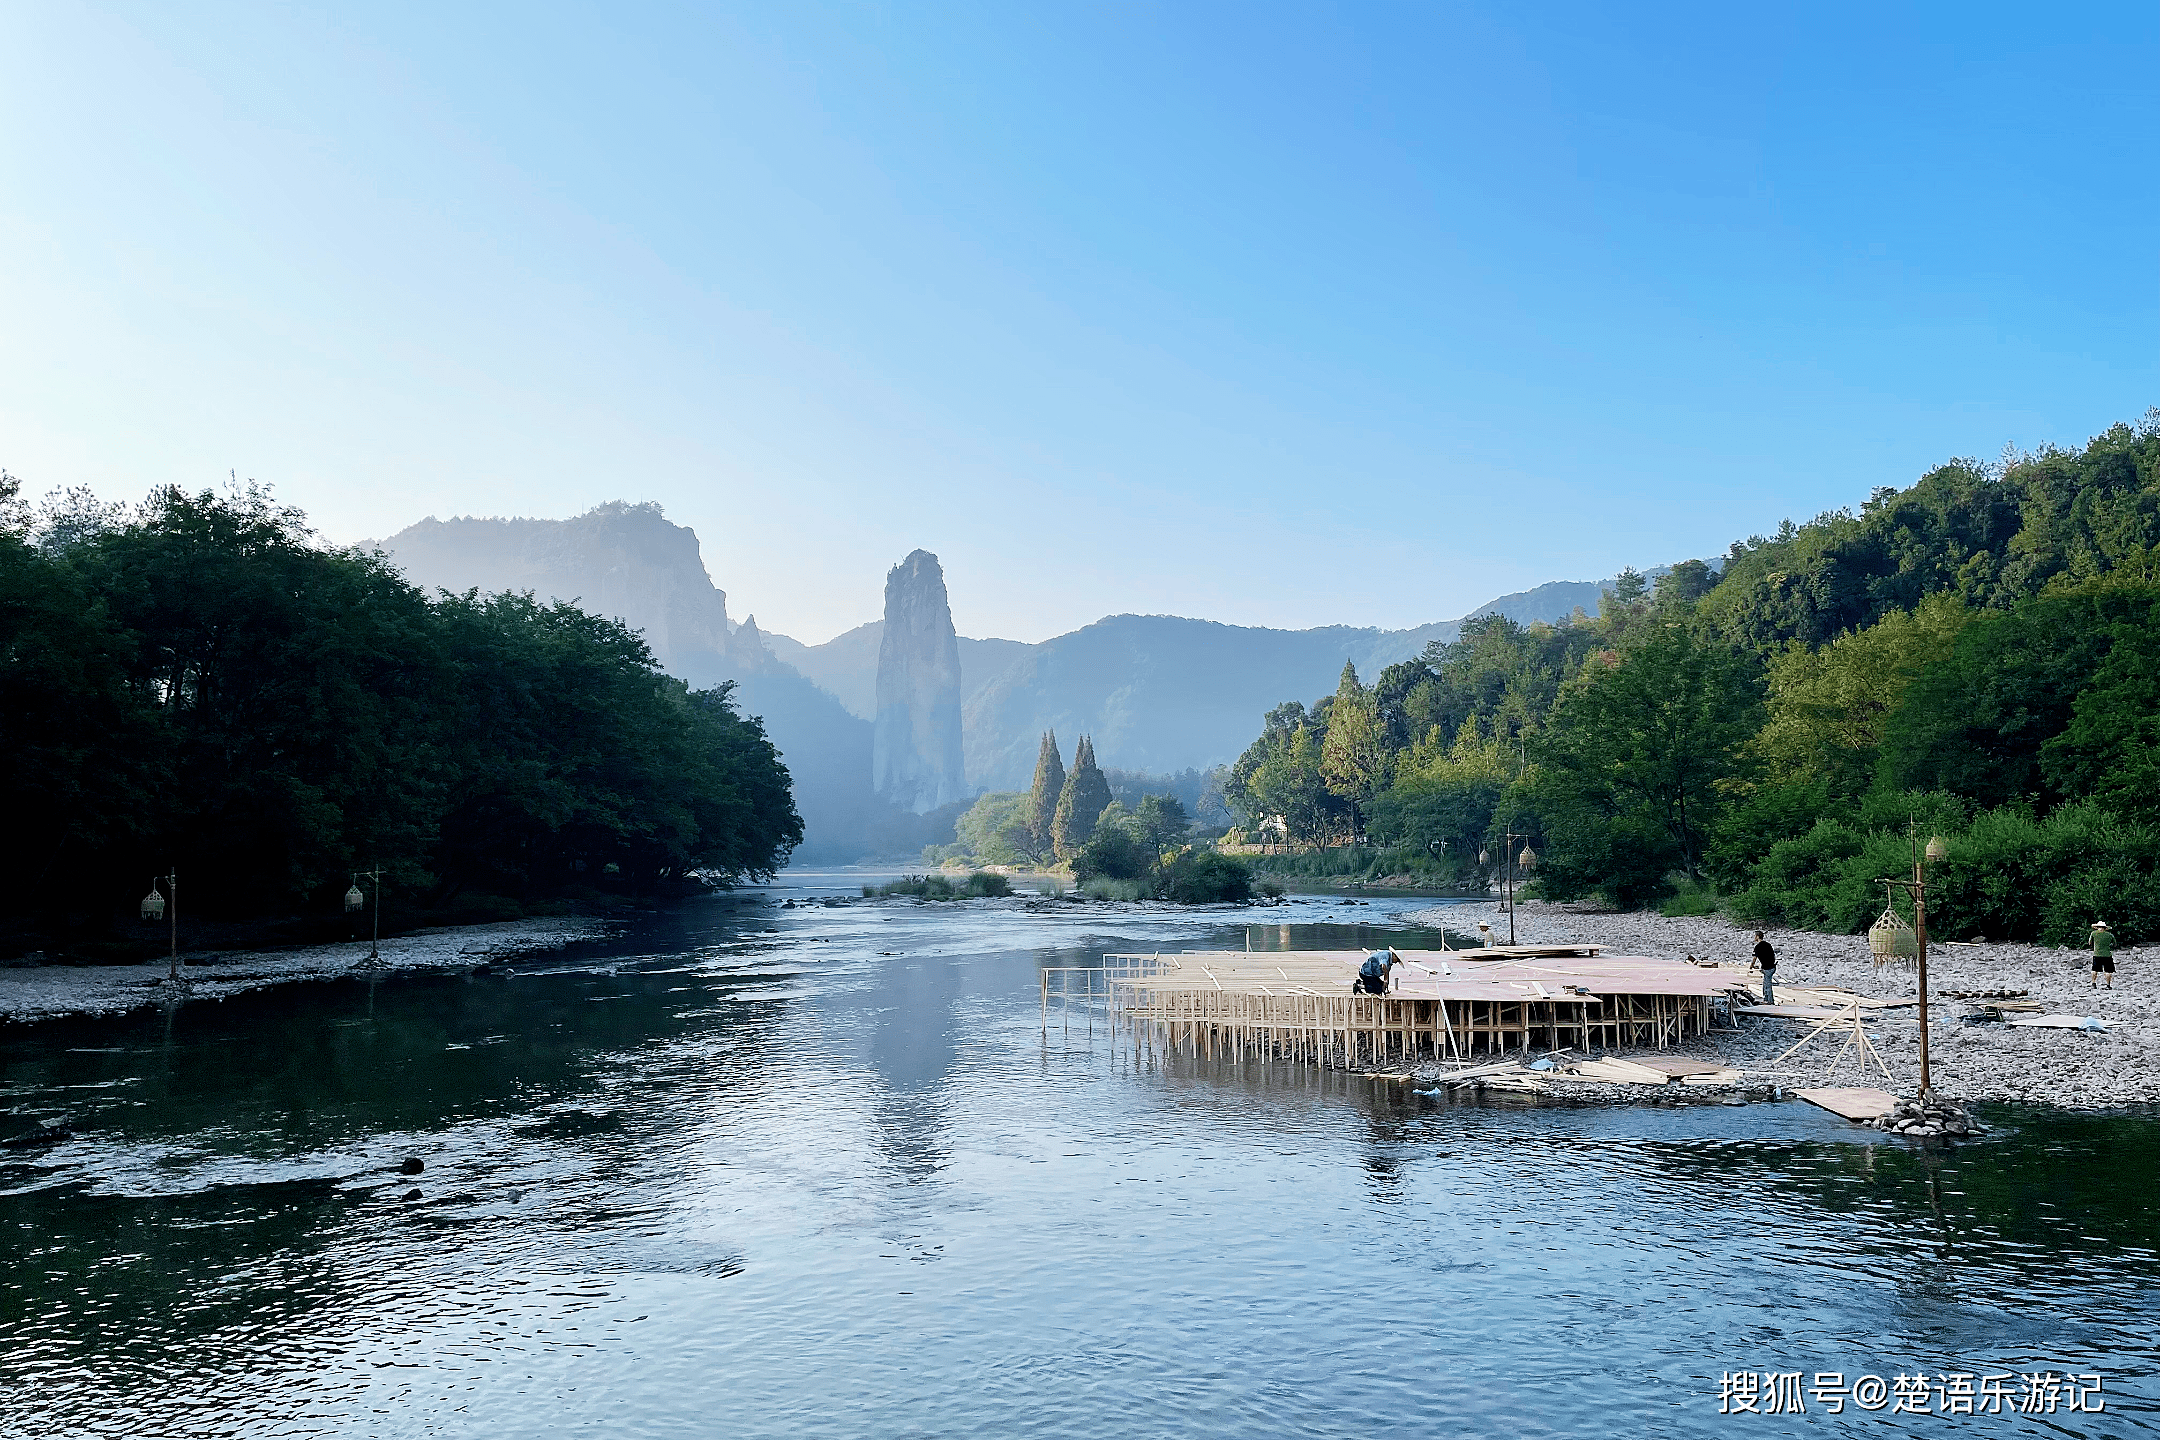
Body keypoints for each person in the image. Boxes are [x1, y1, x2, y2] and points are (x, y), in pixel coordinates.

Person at [1752, 931, 1777, 1005]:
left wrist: (1751, 966)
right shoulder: (1768, 945)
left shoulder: (1758, 946)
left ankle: (1769, 1001)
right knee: (1765, 984)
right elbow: (1772, 956)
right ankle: (1766, 999)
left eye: (1755, 936)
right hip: (1772, 967)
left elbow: (1754, 958)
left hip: (1767, 968)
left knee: (1767, 985)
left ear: (1757, 936)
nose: (1754, 938)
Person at [2091, 921, 2115, 990]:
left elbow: (2090, 942)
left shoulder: (2093, 934)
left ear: (2097, 927)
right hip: (2107, 955)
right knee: (2108, 971)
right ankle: (2108, 985)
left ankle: (2093, 983)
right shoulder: (2110, 935)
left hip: (2097, 954)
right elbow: (2114, 943)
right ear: (2105, 928)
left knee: (2094, 970)